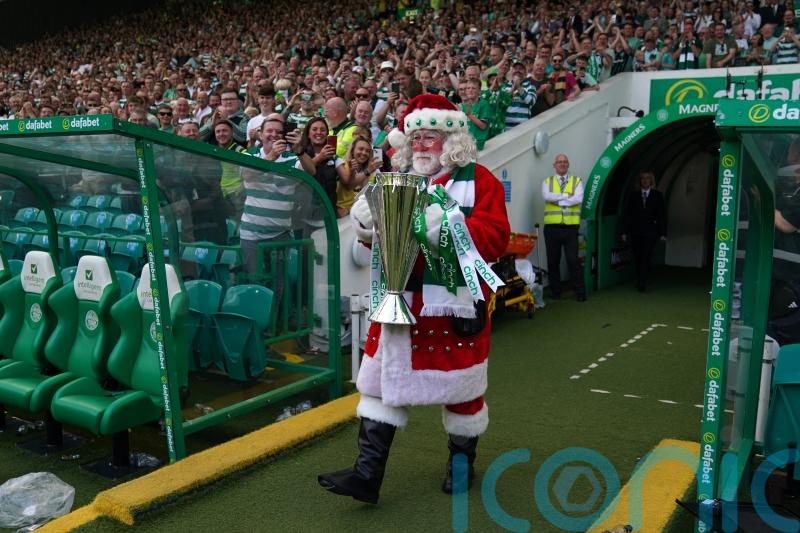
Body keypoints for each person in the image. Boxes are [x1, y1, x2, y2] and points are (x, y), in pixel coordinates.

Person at [318, 94, 510, 503]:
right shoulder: (398, 180)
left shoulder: (480, 181)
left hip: (452, 306)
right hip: (400, 300)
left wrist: (449, 226)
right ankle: (366, 475)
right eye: (416, 137)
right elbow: (382, 249)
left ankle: (461, 466)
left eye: (430, 136)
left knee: (462, 391)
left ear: (452, 139)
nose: (421, 145)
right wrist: (367, 228)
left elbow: (496, 239)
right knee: (379, 385)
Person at [542, 154, 586, 301]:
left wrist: (558, 198)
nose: (562, 164)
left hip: (570, 228)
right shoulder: (547, 182)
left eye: (565, 162)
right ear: (554, 165)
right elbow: (547, 197)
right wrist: (567, 197)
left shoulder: (577, 181)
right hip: (552, 228)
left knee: (573, 260)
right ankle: (556, 292)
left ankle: (580, 292)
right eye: (559, 162)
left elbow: (578, 199)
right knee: (553, 261)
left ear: (568, 164)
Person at [621, 171, 666, 292]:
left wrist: (663, 233)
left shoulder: (657, 195)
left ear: (651, 181)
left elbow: (662, 215)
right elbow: (628, 214)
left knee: (646, 256)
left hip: (651, 231)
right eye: (643, 178)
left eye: (648, 178)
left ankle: (642, 282)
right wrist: (624, 232)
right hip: (636, 231)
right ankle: (640, 278)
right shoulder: (633, 195)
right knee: (638, 256)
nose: (645, 181)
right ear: (640, 181)